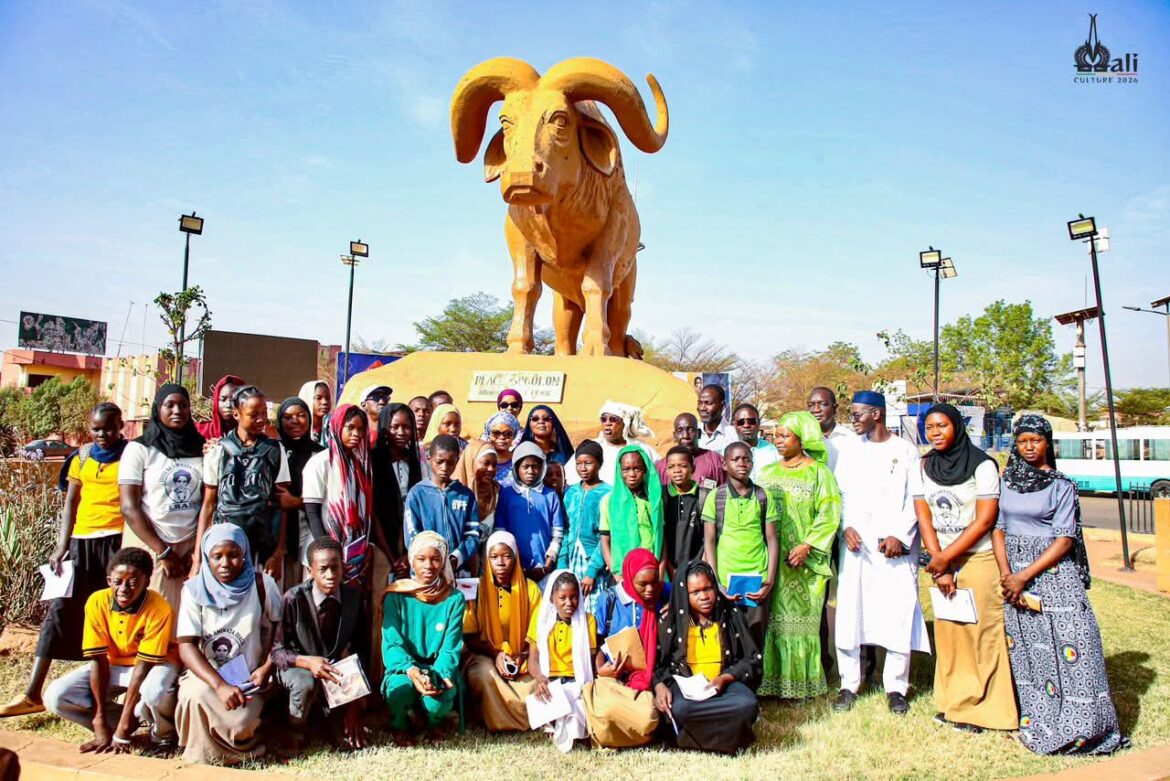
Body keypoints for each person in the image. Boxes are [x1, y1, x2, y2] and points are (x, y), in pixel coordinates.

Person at [992, 415, 1124, 754]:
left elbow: (1064, 539)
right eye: (1023, 441)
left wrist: (1023, 576)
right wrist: (1008, 574)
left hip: (1052, 576)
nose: (1029, 447)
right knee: (1030, 653)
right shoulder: (1007, 481)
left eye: (1036, 440)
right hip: (1013, 578)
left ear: (1047, 442)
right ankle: (1040, 720)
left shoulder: (1061, 485)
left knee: (1074, 647)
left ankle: (1084, 728)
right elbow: (999, 528)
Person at [1, 403, 127, 719]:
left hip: (116, 541)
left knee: (115, 615)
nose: (103, 434)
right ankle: (32, 693)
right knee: (58, 611)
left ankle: (112, 694)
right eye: (97, 428)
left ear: (120, 426)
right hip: (80, 543)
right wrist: (62, 546)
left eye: (109, 428)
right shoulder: (81, 457)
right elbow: (71, 501)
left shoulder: (131, 454)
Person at [914, 402, 1016, 733]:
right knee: (951, 634)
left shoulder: (983, 465)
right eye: (930, 427)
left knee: (982, 634)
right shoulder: (923, 465)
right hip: (941, 560)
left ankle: (987, 711)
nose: (935, 433)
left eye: (942, 426)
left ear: (957, 426)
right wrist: (938, 561)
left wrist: (947, 558)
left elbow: (985, 519)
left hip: (977, 558)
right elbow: (924, 516)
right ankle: (953, 704)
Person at [831, 391, 929, 715]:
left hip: (894, 550)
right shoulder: (848, 451)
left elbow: (916, 500)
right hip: (857, 548)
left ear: (877, 414)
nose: (853, 419)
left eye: (858, 413)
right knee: (850, 614)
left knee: (896, 614)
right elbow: (840, 497)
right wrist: (846, 527)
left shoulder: (905, 451)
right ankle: (849, 683)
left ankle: (896, 687)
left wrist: (900, 536)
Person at [43, 547, 179, 754]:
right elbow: (98, 660)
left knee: (155, 693)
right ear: (109, 580)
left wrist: (123, 730)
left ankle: (162, 736)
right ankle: (117, 725)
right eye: (118, 582)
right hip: (112, 664)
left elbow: (143, 668)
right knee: (56, 696)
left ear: (146, 583)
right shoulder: (97, 601)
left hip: (152, 665)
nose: (124, 588)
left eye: (133, 582)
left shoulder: (159, 609)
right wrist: (99, 722)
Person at [174, 525, 281, 764]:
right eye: (216, 556)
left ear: (244, 554)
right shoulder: (193, 590)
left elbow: (279, 631)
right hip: (207, 674)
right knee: (194, 695)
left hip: (249, 677)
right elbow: (186, 645)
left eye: (233, 555)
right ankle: (201, 756)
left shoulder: (263, 584)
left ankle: (241, 748)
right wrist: (219, 685)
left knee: (240, 723)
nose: (225, 563)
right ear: (205, 557)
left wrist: (266, 667)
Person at [756, 411, 841, 699]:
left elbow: (829, 515)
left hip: (805, 563)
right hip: (773, 562)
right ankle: (773, 682)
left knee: (802, 624)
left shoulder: (819, 473)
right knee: (773, 623)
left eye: (784, 436)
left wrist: (807, 546)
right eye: (775, 436)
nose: (777, 441)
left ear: (802, 438)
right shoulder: (766, 473)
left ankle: (802, 685)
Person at [652, 560, 762, 755]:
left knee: (748, 704)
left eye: (708, 588)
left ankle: (697, 739)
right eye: (695, 592)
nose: (704, 596)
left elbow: (752, 660)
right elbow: (657, 666)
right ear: (684, 594)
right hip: (687, 690)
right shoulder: (671, 622)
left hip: (724, 686)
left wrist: (725, 678)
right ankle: (725, 737)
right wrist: (660, 686)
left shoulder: (731, 615)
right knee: (679, 709)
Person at [271, 538, 366, 752]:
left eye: (335, 568)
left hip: (333, 669)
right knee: (304, 684)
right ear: (310, 571)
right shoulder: (293, 599)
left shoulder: (352, 598)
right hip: (299, 667)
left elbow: (361, 650)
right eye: (323, 569)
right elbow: (277, 651)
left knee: (342, 736)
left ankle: (333, 723)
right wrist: (306, 662)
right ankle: (295, 728)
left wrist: (354, 706)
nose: (330, 575)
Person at [119, 385, 206, 614]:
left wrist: (196, 549)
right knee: (151, 612)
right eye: (170, 405)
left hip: (190, 545)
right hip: (151, 542)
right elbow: (129, 507)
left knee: (187, 615)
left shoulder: (201, 447)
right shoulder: (139, 449)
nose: (177, 410)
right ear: (158, 409)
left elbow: (209, 500)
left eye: (183, 405)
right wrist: (164, 552)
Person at [380, 532, 466, 739]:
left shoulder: (454, 598)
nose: (428, 565)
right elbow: (392, 644)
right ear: (411, 561)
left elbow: (450, 647)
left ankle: (433, 721)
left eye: (435, 559)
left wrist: (435, 676)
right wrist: (412, 671)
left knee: (436, 702)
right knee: (400, 691)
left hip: (437, 668)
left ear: (443, 561)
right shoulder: (396, 596)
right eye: (421, 559)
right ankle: (400, 724)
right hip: (405, 669)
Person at [197, 386, 292, 574]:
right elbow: (209, 505)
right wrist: (198, 559)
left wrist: (278, 552)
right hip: (224, 543)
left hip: (263, 544)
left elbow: (282, 505)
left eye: (264, 413)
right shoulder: (218, 451)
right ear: (236, 414)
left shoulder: (274, 450)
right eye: (254, 414)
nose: (261, 419)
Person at [701, 442, 779, 648]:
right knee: (727, 637)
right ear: (725, 465)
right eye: (735, 459)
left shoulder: (763, 496)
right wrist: (715, 580)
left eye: (746, 459)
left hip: (757, 579)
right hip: (726, 580)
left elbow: (772, 539)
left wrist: (769, 581)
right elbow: (709, 540)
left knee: (755, 636)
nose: (742, 463)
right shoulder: (716, 496)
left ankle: (754, 680)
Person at [462, 531, 542, 732]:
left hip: (521, 658)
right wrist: (496, 655)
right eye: (494, 557)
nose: (500, 562)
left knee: (535, 684)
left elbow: (537, 633)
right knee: (483, 676)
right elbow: (469, 636)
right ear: (487, 559)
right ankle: (500, 721)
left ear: (515, 558)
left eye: (506, 556)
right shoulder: (477, 590)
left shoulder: (531, 589)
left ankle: (515, 716)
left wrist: (522, 656)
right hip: (485, 654)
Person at [584, 548, 663, 748]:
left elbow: (689, 594)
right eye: (642, 584)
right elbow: (597, 645)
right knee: (604, 710)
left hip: (644, 677)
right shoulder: (609, 599)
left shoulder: (664, 593)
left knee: (648, 718)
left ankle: (619, 733)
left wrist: (675, 609)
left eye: (654, 582)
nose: (650, 589)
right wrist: (601, 669)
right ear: (628, 578)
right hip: (612, 677)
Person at [302, 404, 373, 589]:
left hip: (353, 554)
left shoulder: (361, 466)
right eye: (350, 427)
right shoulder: (320, 463)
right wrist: (329, 553)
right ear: (337, 427)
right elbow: (312, 513)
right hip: (324, 552)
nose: (356, 434)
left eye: (360, 429)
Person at [527, 570, 597, 753]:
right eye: (562, 598)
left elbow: (590, 664)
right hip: (550, 681)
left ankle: (563, 727)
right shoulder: (540, 620)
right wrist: (540, 678)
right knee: (548, 700)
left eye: (574, 597)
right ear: (552, 598)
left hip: (577, 682)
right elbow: (532, 660)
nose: (569, 603)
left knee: (575, 705)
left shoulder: (587, 621)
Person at [404, 435, 481, 577]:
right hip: (425, 572)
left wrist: (456, 558)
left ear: (457, 461)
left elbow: (473, 535)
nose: (444, 468)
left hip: (457, 571)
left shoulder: (465, 495)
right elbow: (412, 535)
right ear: (429, 459)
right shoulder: (417, 494)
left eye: (450, 463)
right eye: (439, 462)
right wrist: (433, 559)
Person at [371, 402, 425, 589]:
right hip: (381, 542)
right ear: (385, 428)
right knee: (380, 596)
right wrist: (393, 557)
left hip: (409, 540)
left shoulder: (415, 463)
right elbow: (374, 513)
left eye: (406, 427)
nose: (401, 432)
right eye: (395, 427)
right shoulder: (374, 462)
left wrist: (408, 553)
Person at [494, 442, 564, 583]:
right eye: (525, 467)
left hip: (543, 570)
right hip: (513, 568)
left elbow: (557, 536)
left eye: (535, 466)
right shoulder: (506, 495)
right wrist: (515, 564)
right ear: (516, 468)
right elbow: (501, 534)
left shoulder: (550, 496)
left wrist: (546, 566)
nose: (530, 471)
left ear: (542, 468)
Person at [275, 397, 324, 588]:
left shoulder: (320, 454)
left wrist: (298, 501)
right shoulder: (273, 451)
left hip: (309, 529)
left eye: (301, 415)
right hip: (278, 533)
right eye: (288, 417)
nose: (295, 421)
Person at [558, 441, 611, 613]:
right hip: (572, 559)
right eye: (579, 464)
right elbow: (566, 530)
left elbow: (606, 538)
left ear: (600, 463)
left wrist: (592, 572)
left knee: (592, 611)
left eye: (588, 463)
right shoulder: (571, 492)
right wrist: (562, 563)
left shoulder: (608, 493)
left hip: (595, 561)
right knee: (570, 608)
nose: (583, 468)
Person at [600, 446, 664, 579]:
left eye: (637, 469)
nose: (632, 474)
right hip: (622, 574)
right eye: (626, 469)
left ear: (645, 470)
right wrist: (616, 574)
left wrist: (660, 572)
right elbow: (605, 540)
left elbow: (662, 539)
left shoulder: (654, 500)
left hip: (652, 572)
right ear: (619, 470)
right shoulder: (609, 501)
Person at [565, 401, 659, 487]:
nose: (607, 423)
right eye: (604, 419)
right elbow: (569, 478)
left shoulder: (642, 449)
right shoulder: (591, 448)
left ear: (625, 423)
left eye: (613, 419)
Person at [661, 445, 706, 578]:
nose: (677, 471)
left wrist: (698, 568)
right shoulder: (661, 496)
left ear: (693, 467)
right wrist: (670, 569)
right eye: (671, 467)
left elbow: (708, 539)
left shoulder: (704, 496)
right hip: (668, 572)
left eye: (683, 466)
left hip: (696, 571)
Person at [654, 413, 724, 488]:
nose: (685, 436)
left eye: (690, 430)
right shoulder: (660, 467)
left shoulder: (716, 461)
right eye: (680, 430)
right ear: (675, 436)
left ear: (699, 433)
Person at [453, 439, 500, 544]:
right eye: (486, 463)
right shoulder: (454, 493)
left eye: (494, 465)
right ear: (471, 462)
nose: (491, 469)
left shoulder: (496, 493)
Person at [807, 386, 855, 472]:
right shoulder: (804, 440)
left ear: (835, 408)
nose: (816, 409)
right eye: (811, 405)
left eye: (822, 404)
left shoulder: (850, 439)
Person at [731, 403, 780, 479]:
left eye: (751, 421)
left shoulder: (775, 453)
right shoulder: (725, 453)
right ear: (734, 424)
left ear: (758, 423)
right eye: (741, 422)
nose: (746, 425)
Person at [196, 374, 244, 441]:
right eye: (223, 399)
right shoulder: (199, 432)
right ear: (216, 401)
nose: (228, 405)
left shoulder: (253, 435)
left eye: (233, 400)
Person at [696, 384, 738, 455]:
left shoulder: (732, 434)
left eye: (708, 403)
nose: (702, 408)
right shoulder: (693, 431)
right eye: (700, 403)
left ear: (723, 406)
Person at [482, 411, 521, 485]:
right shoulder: (481, 461)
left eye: (508, 434)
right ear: (488, 434)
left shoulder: (519, 462)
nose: (502, 437)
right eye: (496, 433)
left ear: (514, 436)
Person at [297, 380, 333, 448]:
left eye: (328, 398)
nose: (325, 402)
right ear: (307, 399)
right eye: (318, 398)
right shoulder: (296, 431)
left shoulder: (334, 429)